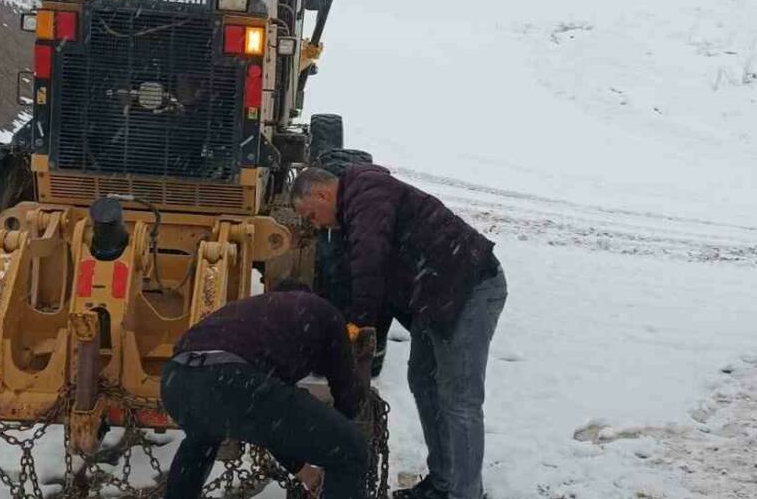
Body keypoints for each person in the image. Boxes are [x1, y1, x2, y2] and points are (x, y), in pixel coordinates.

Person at [291, 164, 508, 499]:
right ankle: (444, 481)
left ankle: (465, 493)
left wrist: (360, 322)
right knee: (422, 381)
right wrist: (360, 330)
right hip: (435, 297)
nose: (313, 224)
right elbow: (380, 284)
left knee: (459, 397)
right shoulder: (357, 205)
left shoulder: (366, 193)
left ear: (322, 193)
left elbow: (370, 263)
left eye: (310, 214)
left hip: (470, 289)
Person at [161, 285, 369, 499]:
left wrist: (306, 473)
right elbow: (347, 397)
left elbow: (270, 422)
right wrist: (338, 436)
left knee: (201, 440)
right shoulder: (326, 315)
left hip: (175, 380)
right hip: (230, 378)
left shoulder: (258, 313)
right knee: (350, 451)